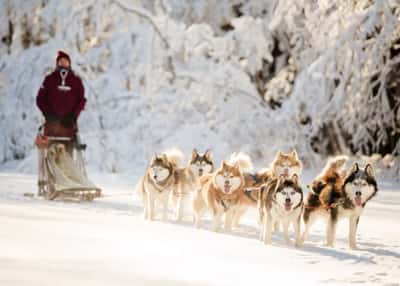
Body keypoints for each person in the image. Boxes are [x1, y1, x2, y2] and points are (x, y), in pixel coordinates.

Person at [36, 50, 86, 140]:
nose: (63, 63)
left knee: (69, 152)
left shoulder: (76, 81)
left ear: (69, 63)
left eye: (65, 61)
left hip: (69, 124)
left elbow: (81, 100)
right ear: (57, 63)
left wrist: (73, 116)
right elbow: (40, 99)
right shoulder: (49, 79)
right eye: (60, 61)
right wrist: (48, 113)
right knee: (49, 151)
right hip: (51, 123)